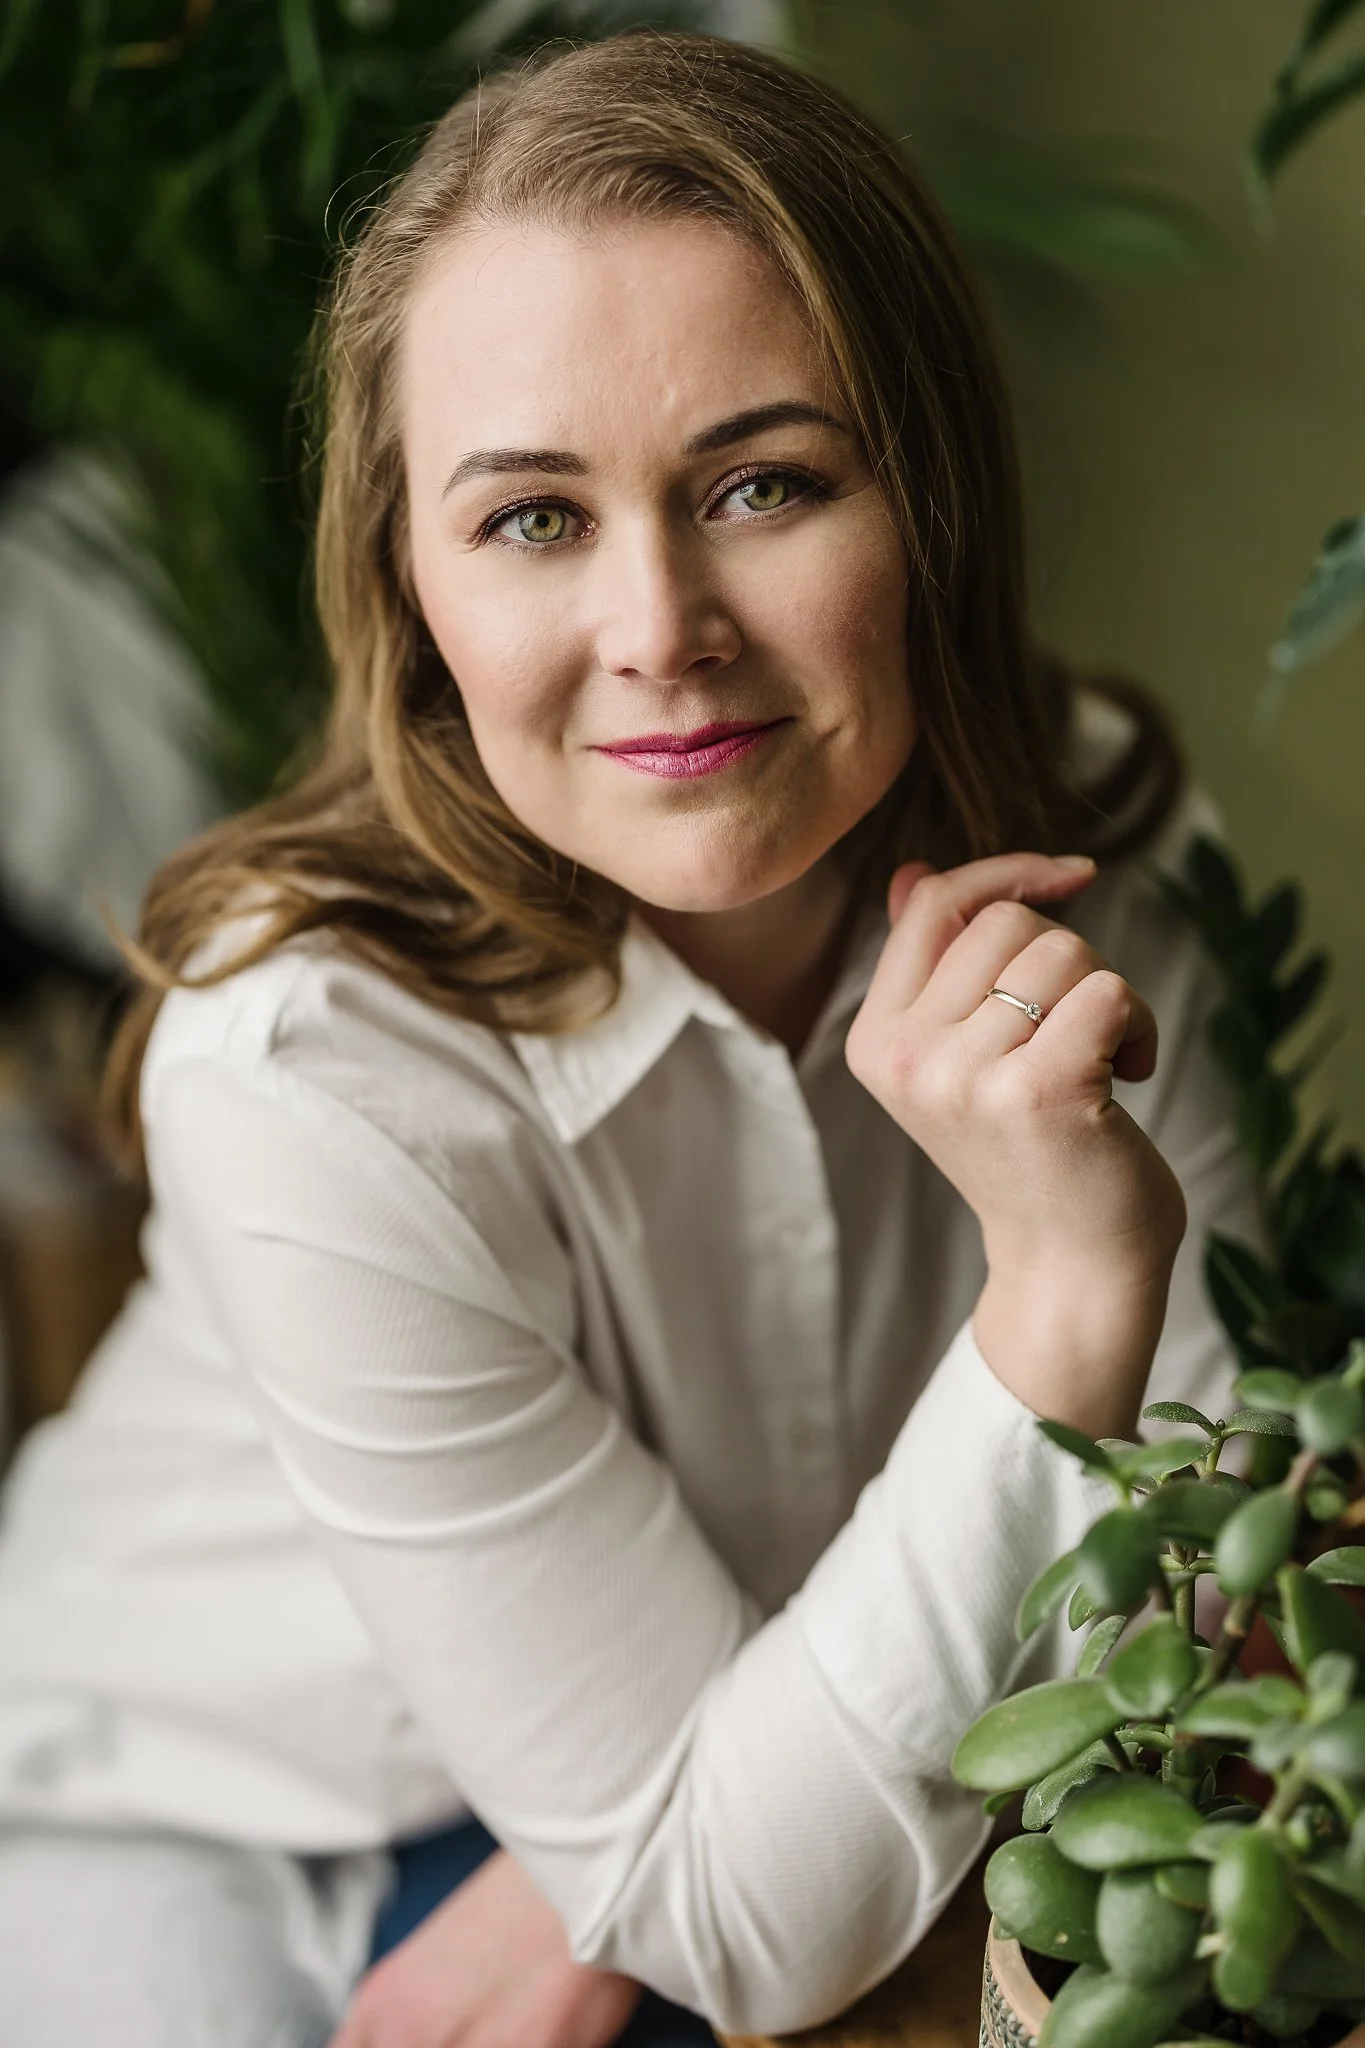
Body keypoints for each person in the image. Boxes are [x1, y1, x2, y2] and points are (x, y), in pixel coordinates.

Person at [0, 31, 1258, 2048]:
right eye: (530, 519)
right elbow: (751, 1906)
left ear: (926, 494)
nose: (659, 622)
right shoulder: (306, 1062)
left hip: (751, 1784)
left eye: (762, 482)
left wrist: (629, 1853)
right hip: (197, 1810)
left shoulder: (1096, 836)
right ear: (411, 578)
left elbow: (1194, 1587)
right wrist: (1070, 1283)